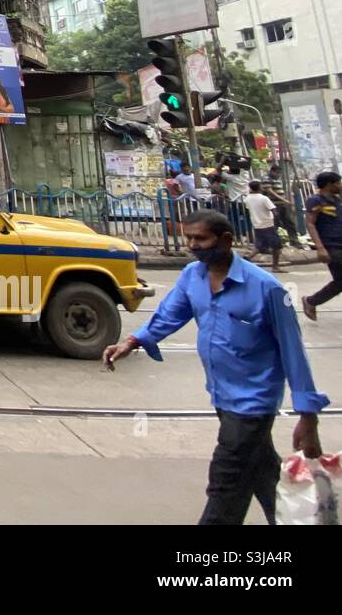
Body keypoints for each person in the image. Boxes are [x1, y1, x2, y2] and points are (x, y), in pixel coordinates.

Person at [102, 209, 327, 525]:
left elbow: (294, 353)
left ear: (226, 240)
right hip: (222, 396)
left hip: (254, 404)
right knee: (263, 473)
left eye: (200, 238)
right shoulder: (192, 276)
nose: (192, 245)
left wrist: (308, 417)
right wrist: (132, 342)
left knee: (225, 484)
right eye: (188, 238)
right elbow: (169, 315)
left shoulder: (267, 288)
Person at [302, 171, 342, 322]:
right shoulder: (316, 200)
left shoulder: (337, 200)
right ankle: (311, 301)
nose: (340, 185)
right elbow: (310, 224)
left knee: (340, 282)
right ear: (329, 185)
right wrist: (320, 248)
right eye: (338, 183)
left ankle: (311, 301)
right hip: (331, 246)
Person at [244, 181, 284, 272]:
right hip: (268, 224)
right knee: (276, 247)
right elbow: (274, 210)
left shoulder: (247, 198)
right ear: (259, 187)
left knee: (260, 246)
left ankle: (247, 258)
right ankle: (275, 266)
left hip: (257, 225)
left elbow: (248, 210)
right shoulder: (264, 198)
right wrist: (278, 221)